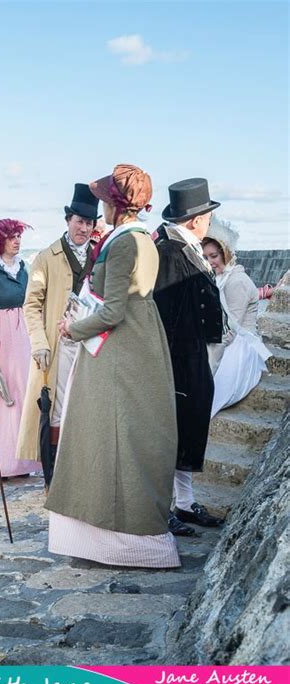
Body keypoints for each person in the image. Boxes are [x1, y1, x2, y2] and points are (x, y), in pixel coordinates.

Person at [45, 164, 180, 568]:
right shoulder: (140, 239)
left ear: (118, 204)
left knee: (113, 438)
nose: (100, 205)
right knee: (114, 438)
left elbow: (115, 310)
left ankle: (121, 540)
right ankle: (106, 536)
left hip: (119, 353)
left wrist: (72, 328)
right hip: (131, 346)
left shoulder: (126, 243)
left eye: (105, 199)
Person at [153, 178, 224, 536]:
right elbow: (163, 310)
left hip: (194, 351)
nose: (209, 221)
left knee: (192, 428)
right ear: (196, 219)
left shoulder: (187, 246)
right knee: (173, 433)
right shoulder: (168, 252)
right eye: (207, 215)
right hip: (178, 356)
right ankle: (162, 508)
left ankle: (184, 501)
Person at [16, 184, 99, 470]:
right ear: (68, 221)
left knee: (86, 407)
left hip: (91, 342)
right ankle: (54, 475)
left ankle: (81, 470)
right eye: (80, 221)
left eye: (90, 223)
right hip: (58, 342)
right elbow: (32, 305)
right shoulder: (45, 258)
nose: (85, 229)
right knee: (55, 411)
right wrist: (39, 342)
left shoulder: (100, 257)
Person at [0, 219, 42, 480]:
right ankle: (2, 464)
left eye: (18, 236)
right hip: (1, 342)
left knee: (24, 397)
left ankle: (23, 462)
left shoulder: (25, 271)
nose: (17, 240)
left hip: (24, 340)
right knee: (2, 400)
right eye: (11, 236)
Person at [202, 216, 271, 417]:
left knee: (206, 391)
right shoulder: (223, 277)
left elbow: (230, 330)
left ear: (226, 254)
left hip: (240, 347)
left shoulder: (236, 282)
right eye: (205, 257)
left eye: (214, 256)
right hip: (227, 338)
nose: (210, 262)